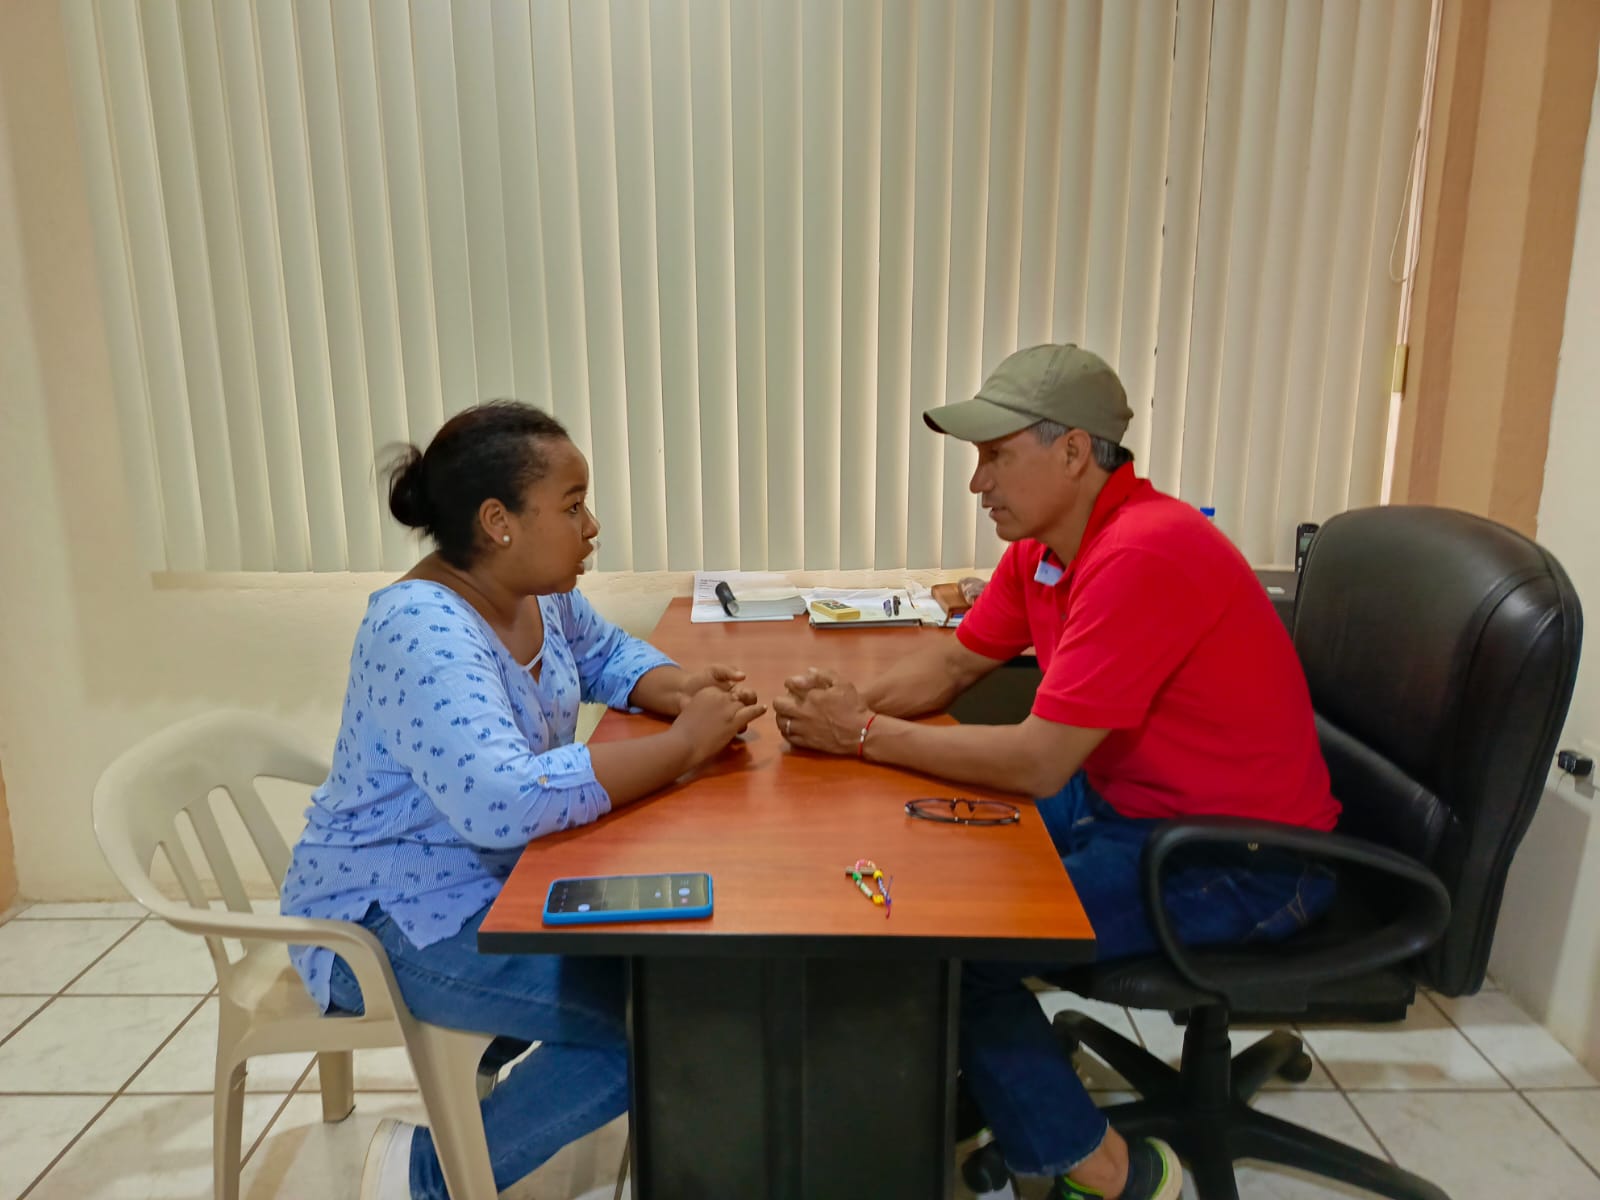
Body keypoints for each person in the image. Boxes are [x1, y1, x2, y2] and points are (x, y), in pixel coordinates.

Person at [772, 345, 1339, 1200]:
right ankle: (999, 1075)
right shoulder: (1048, 548)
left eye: (996, 456)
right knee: (926, 869)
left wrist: (858, 735)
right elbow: (956, 663)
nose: (978, 483)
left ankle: (1118, 1175)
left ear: (1073, 451)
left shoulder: (1143, 551)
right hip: (1128, 804)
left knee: (956, 947)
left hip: (1241, 858)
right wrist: (833, 710)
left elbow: (1038, 761)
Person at [279, 401, 766, 1200]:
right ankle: (422, 1177)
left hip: (500, 882)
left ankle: (498, 1082)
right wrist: (683, 748)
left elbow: (603, 653)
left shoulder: (535, 591)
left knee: (665, 973)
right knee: (650, 1028)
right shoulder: (420, 629)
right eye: (572, 507)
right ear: (498, 522)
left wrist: (680, 690)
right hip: (387, 920)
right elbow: (501, 801)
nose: (592, 526)